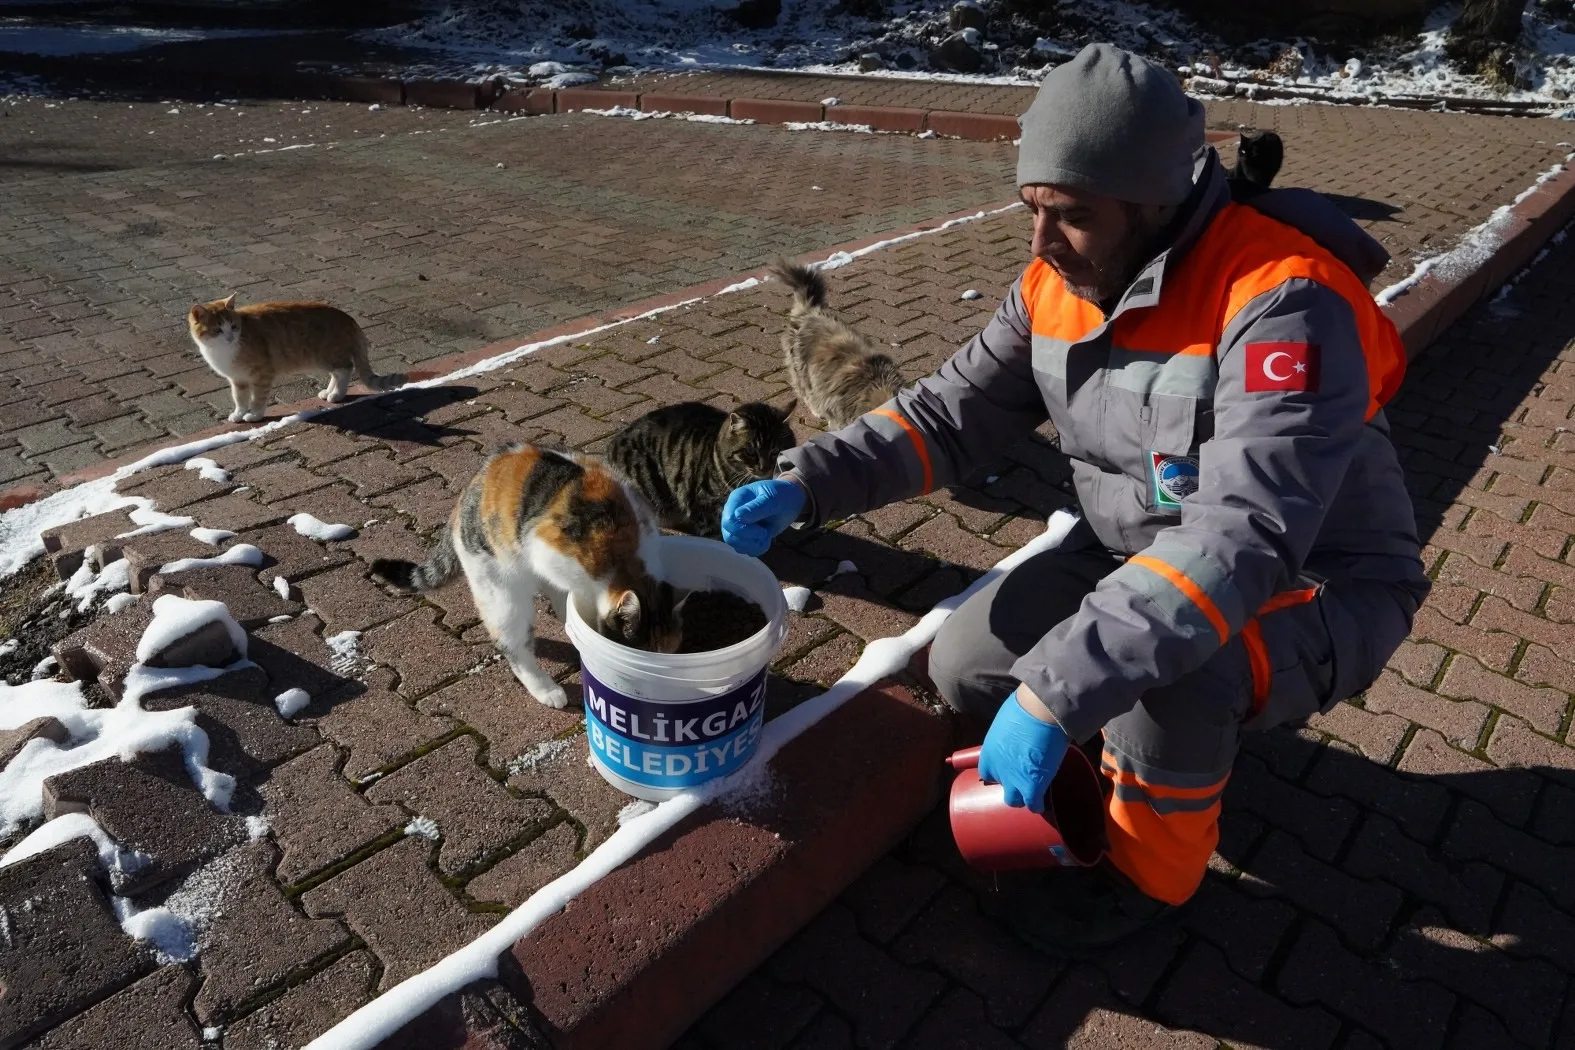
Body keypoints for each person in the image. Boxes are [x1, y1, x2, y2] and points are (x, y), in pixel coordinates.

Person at [719, 42, 1430, 951]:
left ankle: (1144, 884)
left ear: (1157, 203)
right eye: (1032, 210)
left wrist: (1057, 694)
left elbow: (1241, 537)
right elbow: (946, 416)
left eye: (1073, 216)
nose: (1041, 244)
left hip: (1313, 583)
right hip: (1141, 553)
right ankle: (1125, 746)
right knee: (968, 664)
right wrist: (805, 484)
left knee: (1177, 670)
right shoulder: (1055, 284)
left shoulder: (1281, 302)